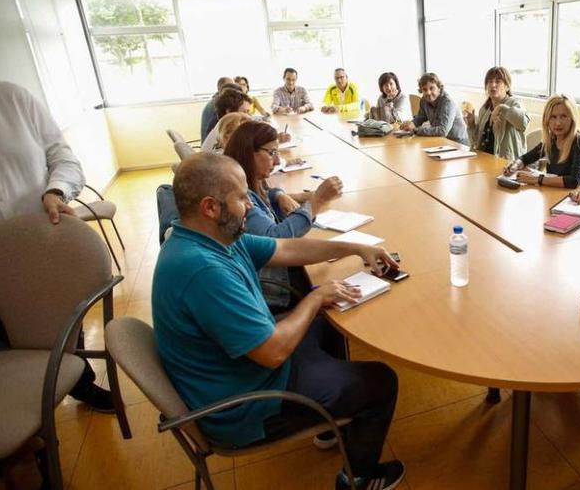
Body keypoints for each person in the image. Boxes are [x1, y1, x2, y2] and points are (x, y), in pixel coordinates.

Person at [153, 153, 404, 490]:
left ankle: (335, 421)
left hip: (243, 368)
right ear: (211, 207)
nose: (251, 206)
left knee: (329, 322)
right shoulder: (202, 270)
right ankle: (359, 478)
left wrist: (355, 248)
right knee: (381, 381)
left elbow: (285, 248)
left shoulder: (215, 237)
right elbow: (272, 352)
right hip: (245, 404)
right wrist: (316, 297)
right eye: (242, 198)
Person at [0, 79, 114, 412]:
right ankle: (26, 433)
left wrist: (55, 191)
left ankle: (79, 382)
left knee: (66, 326)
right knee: (0, 345)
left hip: (43, 248)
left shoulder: (14, 98)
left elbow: (64, 160)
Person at [223, 121, 343, 310]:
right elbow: (277, 239)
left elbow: (265, 193)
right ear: (248, 152)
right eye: (271, 153)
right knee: (340, 281)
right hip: (274, 295)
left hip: (279, 278)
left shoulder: (246, 181)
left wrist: (278, 195)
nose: (278, 161)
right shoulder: (239, 197)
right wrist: (317, 200)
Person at [505, 94, 580, 189]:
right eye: (553, 117)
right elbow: (526, 158)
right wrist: (515, 165)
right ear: (547, 120)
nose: (558, 123)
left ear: (572, 119)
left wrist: (538, 179)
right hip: (560, 194)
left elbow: (574, 181)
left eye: (563, 116)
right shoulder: (552, 139)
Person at [464, 66, 529, 162]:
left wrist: (501, 108)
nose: (493, 85)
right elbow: (476, 142)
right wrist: (471, 125)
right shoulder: (485, 108)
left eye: (498, 82)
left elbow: (523, 123)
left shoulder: (514, 103)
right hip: (483, 160)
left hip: (506, 164)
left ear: (507, 87)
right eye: (490, 82)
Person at [399, 73, 469, 146]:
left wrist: (416, 130)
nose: (428, 92)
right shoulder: (424, 100)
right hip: (441, 141)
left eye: (432, 88)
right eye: (425, 89)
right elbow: (420, 118)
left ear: (439, 88)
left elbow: (443, 131)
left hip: (458, 144)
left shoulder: (448, 102)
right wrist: (411, 124)